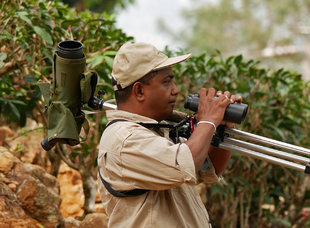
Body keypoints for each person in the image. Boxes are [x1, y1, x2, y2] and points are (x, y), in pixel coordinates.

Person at [97, 42, 242, 227]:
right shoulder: (124, 138)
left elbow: (207, 169)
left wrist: (221, 128)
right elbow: (188, 162)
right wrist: (208, 121)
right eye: (167, 82)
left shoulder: (157, 130)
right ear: (139, 91)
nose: (176, 89)